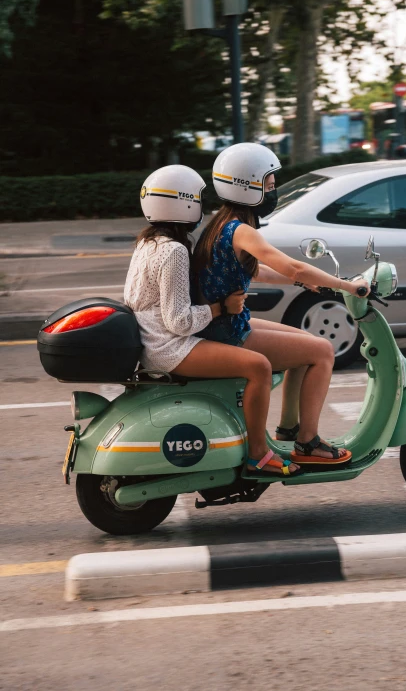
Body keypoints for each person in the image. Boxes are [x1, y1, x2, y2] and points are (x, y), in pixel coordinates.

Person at [193, 143, 370, 468]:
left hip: (225, 324)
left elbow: (256, 270)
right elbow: (294, 266)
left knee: (304, 345)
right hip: (228, 331)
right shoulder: (241, 230)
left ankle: (290, 427)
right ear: (247, 187)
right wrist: (347, 285)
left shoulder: (220, 223)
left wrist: (301, 283)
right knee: (323, 351)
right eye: (269, 186)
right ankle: (308, 442)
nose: (273, 192)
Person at [124, 164, 299, 478]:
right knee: (258, 366)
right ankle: (258, 453)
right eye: (198, 199)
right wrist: (222, 308)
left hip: (153, 342)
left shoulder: (147, 243)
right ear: (183, 202)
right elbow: (178, 321)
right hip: (169, 348)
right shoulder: (174, 251)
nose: (202, 207)